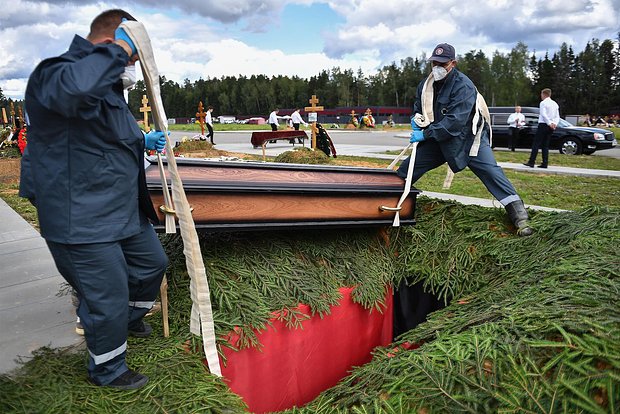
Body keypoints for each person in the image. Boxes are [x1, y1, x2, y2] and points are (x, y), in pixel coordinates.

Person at [19, 9, 168, 390]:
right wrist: (121, 49)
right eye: (131, 58)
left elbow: (106, 141)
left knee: (152, 263)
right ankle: (108, 368)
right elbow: (74, 92)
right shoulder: (55, 74)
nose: (131, 66)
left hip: (120, 209)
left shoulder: (108, 89)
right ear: (110, 41)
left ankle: (128, 323)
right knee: (108, 295)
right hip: (81, 217)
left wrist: (143, 142)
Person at [397, 43, 532, 236]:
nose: (437, 67)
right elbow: (419, 107)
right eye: (435, 62)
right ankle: (392, 200)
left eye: (443, 63)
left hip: (468, 138)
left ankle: (520, 216)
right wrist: (416, 119)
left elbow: (455, 122)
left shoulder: (464, 85)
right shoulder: (425, 85)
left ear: (453, 63)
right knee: (409, 168)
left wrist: (425, 134)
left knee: (491, 172)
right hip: (438, 138)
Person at [523, 88, 559, 169]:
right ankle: (545, 162)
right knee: (545, 145)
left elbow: (543, 114)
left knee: (536, 143)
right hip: (551, 125)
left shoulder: (543, 103)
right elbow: (557, 116)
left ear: (544, 94)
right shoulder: (555, 104)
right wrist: (554, 124)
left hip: (543, 124)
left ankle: (531, 161)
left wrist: (549, 123)